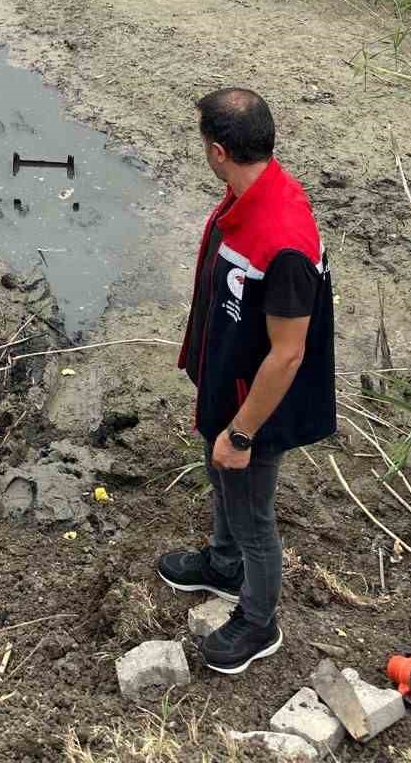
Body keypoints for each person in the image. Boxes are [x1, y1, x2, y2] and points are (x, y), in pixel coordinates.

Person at [157, 88, 336, 675]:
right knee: (220, 481)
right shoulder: (246, 197)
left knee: (254, 512)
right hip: (226, 383)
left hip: (256, 407)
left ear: (216, 150)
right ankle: (221, 563)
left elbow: (287, 356)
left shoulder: (283, 240)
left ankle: (259, 621)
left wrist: (240, 433)